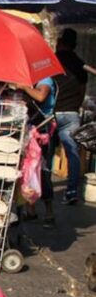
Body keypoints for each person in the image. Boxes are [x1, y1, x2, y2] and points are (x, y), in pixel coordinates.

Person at [55, 28, 95, 205]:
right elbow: (82, 91)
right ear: (75, 45)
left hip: (51, 113)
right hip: (71, 113)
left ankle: (42, 194)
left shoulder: (52, 60)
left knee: (44, 155)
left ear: (60, 42)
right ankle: (71, 191)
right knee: (73, 154)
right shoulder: (80, 66)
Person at [16, 77, 57, 227]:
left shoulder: (45, 79)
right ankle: (30, 210)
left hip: (42, 131)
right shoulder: (29, 78)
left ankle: (49, 212)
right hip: (28, 131)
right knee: (25, 172)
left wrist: (24, 87)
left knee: (43, 171)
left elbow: (40, 96)